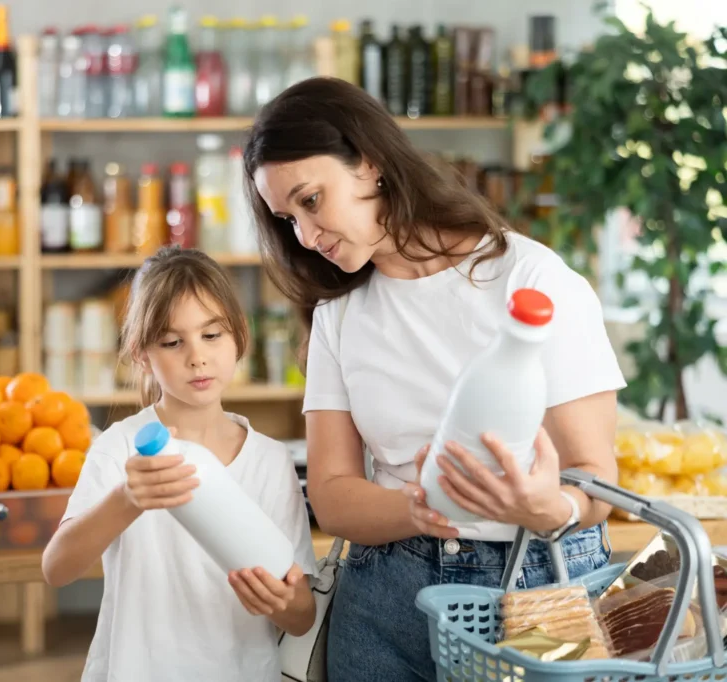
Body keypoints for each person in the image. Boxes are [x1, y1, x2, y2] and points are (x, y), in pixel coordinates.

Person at [243, 77, 625, 680]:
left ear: (369, 165)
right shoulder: (337, 314)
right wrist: (417, 509)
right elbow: (335, 493)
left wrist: (551, 506)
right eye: (287, 219)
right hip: (384, 600)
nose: (307, 237)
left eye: (311, 201)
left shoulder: (530, 279)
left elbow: (598, 479)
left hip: (536, 585)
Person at [41, 246, 318, 682]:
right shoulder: (121, 448)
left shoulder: (270, 459)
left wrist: (282, 602)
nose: (197, 356)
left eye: (212, 335)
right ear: (140, 353)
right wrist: (128, 499)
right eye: (172, 342)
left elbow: (302, 616)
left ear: (239, 335)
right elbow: (57, 569)